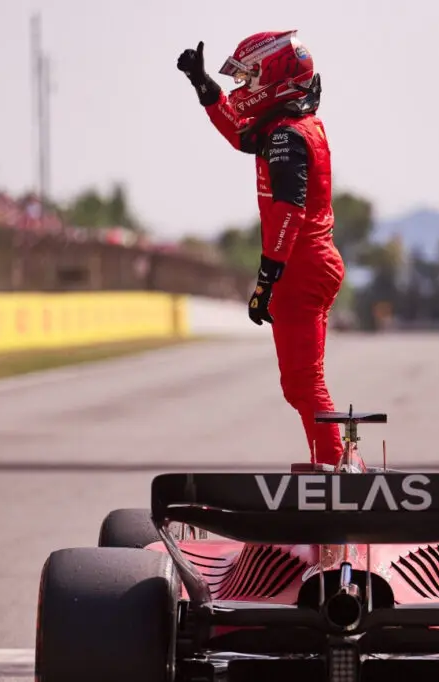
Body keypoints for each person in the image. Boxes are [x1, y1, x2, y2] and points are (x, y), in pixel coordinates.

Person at [177, 31, 346, 467]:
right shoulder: (292, 127)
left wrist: (267, 279)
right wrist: (205, 87)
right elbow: (240, 134)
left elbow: (289, 212)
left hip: (300, 266)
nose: (244, 87)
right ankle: (333, 469)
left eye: (251, 77)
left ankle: (336, 478)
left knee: (304, 385)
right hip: (315, 261)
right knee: (302, 385)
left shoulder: (287, 136)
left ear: (277, 79)